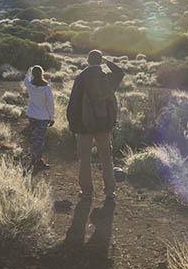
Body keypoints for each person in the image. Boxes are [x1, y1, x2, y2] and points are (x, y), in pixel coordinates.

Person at [66, 50, 125, 200]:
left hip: (85, 125)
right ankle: (110, 190)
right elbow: (120, 72)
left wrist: (73, 125)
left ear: (87, 61)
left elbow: (73, 104)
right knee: (106, 157)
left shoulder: (81, 78)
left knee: (85, 158)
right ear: (100, 61)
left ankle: (87, 192)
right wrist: (106, 62)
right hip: (104, 123)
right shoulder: (106, 78)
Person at [24, 65, 55, 172]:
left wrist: (29, 70)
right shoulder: (46, 88)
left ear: (33, 74)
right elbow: (50, 104)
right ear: (42, 73)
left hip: (32, 115)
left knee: (34, 137)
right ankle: (38, 161)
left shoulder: (29, 85)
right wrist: (52, 117)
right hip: (43, 117)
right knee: (40, 139)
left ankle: (35, 158)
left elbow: (25, 79)